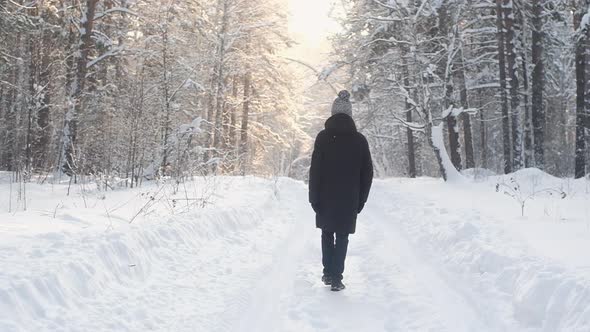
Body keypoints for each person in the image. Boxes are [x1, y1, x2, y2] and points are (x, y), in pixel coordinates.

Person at [308, 90, 374, 291]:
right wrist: (361, 200)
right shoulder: (360, 140)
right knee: (343, 236)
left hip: (325, 197)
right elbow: (367, 174)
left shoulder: (323, 137)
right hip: (349, 199)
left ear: (332, 113)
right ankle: (337, 278)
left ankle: (328, 273)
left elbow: (315, 170)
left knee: (327, 234)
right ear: (350, 114)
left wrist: (313, 198)